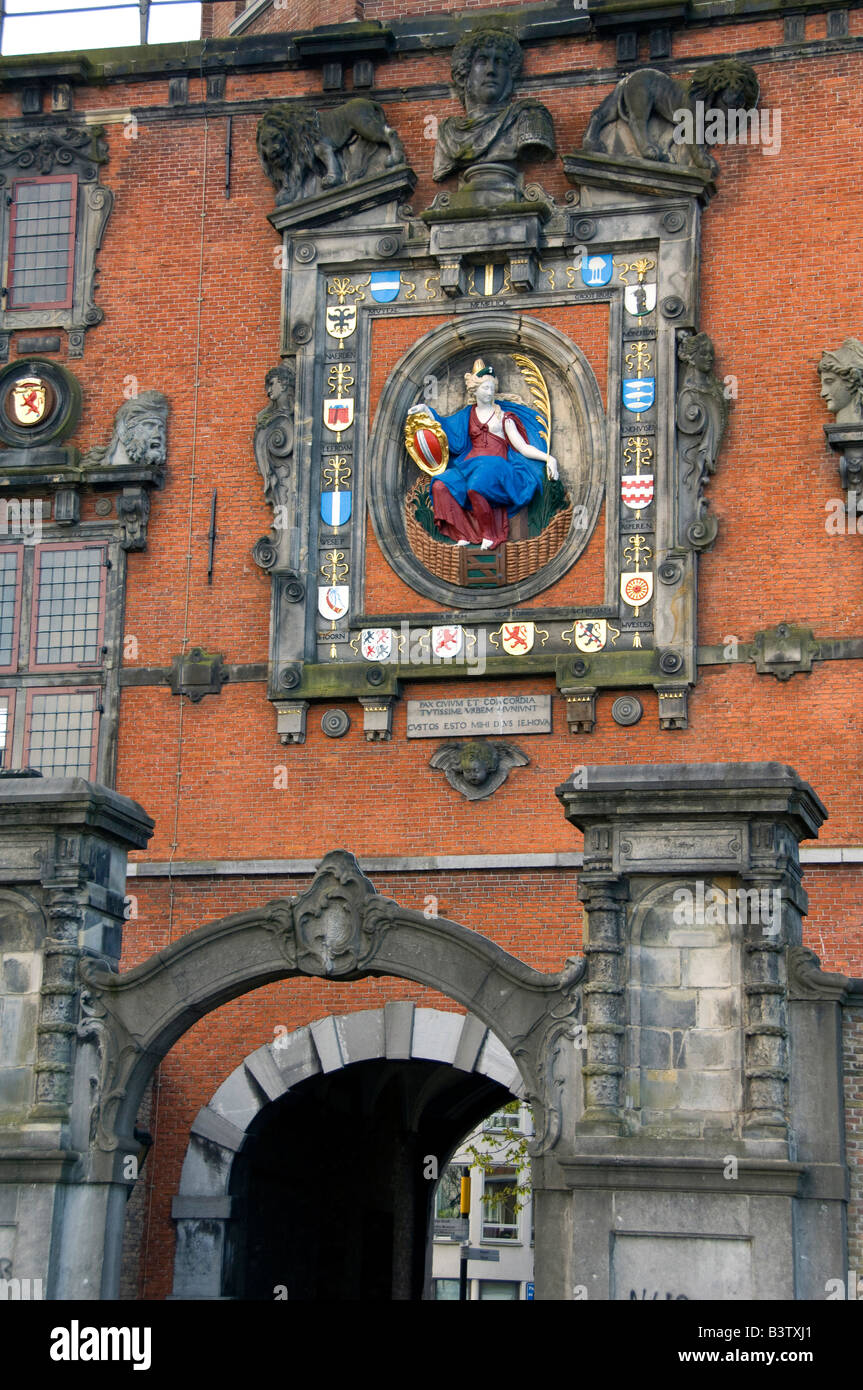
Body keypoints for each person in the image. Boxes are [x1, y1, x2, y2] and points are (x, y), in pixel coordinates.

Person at [408, 359, 558, 549]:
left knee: (476, 485)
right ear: (475, 390)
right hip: (470, 465)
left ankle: (491, 534)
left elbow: (522, 447)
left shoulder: (503, 417)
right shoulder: (466, 415)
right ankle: (464, 534)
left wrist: (548, 458)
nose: (489, 392)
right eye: (485, 388)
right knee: (440, 486)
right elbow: (445, 427)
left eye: (491, 388)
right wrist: (425, 411)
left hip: (497, 465)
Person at [433, 27, 555, 183]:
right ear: (464, 75)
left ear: (511, 73)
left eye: (500, 62)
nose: (491, 70)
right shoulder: (448, 133)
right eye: (482, 61)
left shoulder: (529, 115)